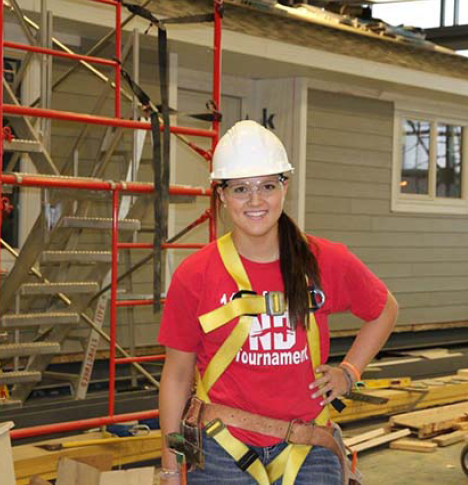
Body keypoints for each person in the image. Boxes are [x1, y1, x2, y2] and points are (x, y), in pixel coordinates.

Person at [158, 120, 398, 485]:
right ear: (220, 194)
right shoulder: (196, 274)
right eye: (241, 189)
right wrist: (172, 465)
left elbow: (384, 309)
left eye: (267, 186)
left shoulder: (323, 260)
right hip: (223, 446)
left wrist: (349, 373)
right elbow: (175, 377)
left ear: (284, 187)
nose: (255, 201)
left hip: (308, 445)